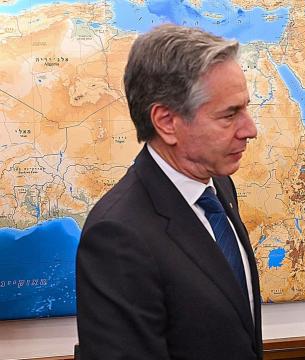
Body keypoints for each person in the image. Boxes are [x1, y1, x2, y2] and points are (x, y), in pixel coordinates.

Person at [76, 24, 261, 359]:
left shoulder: (219, 187)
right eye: (230, 115)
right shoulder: (118, 235)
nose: (250, 130)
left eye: (245, 109)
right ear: (166, 122)